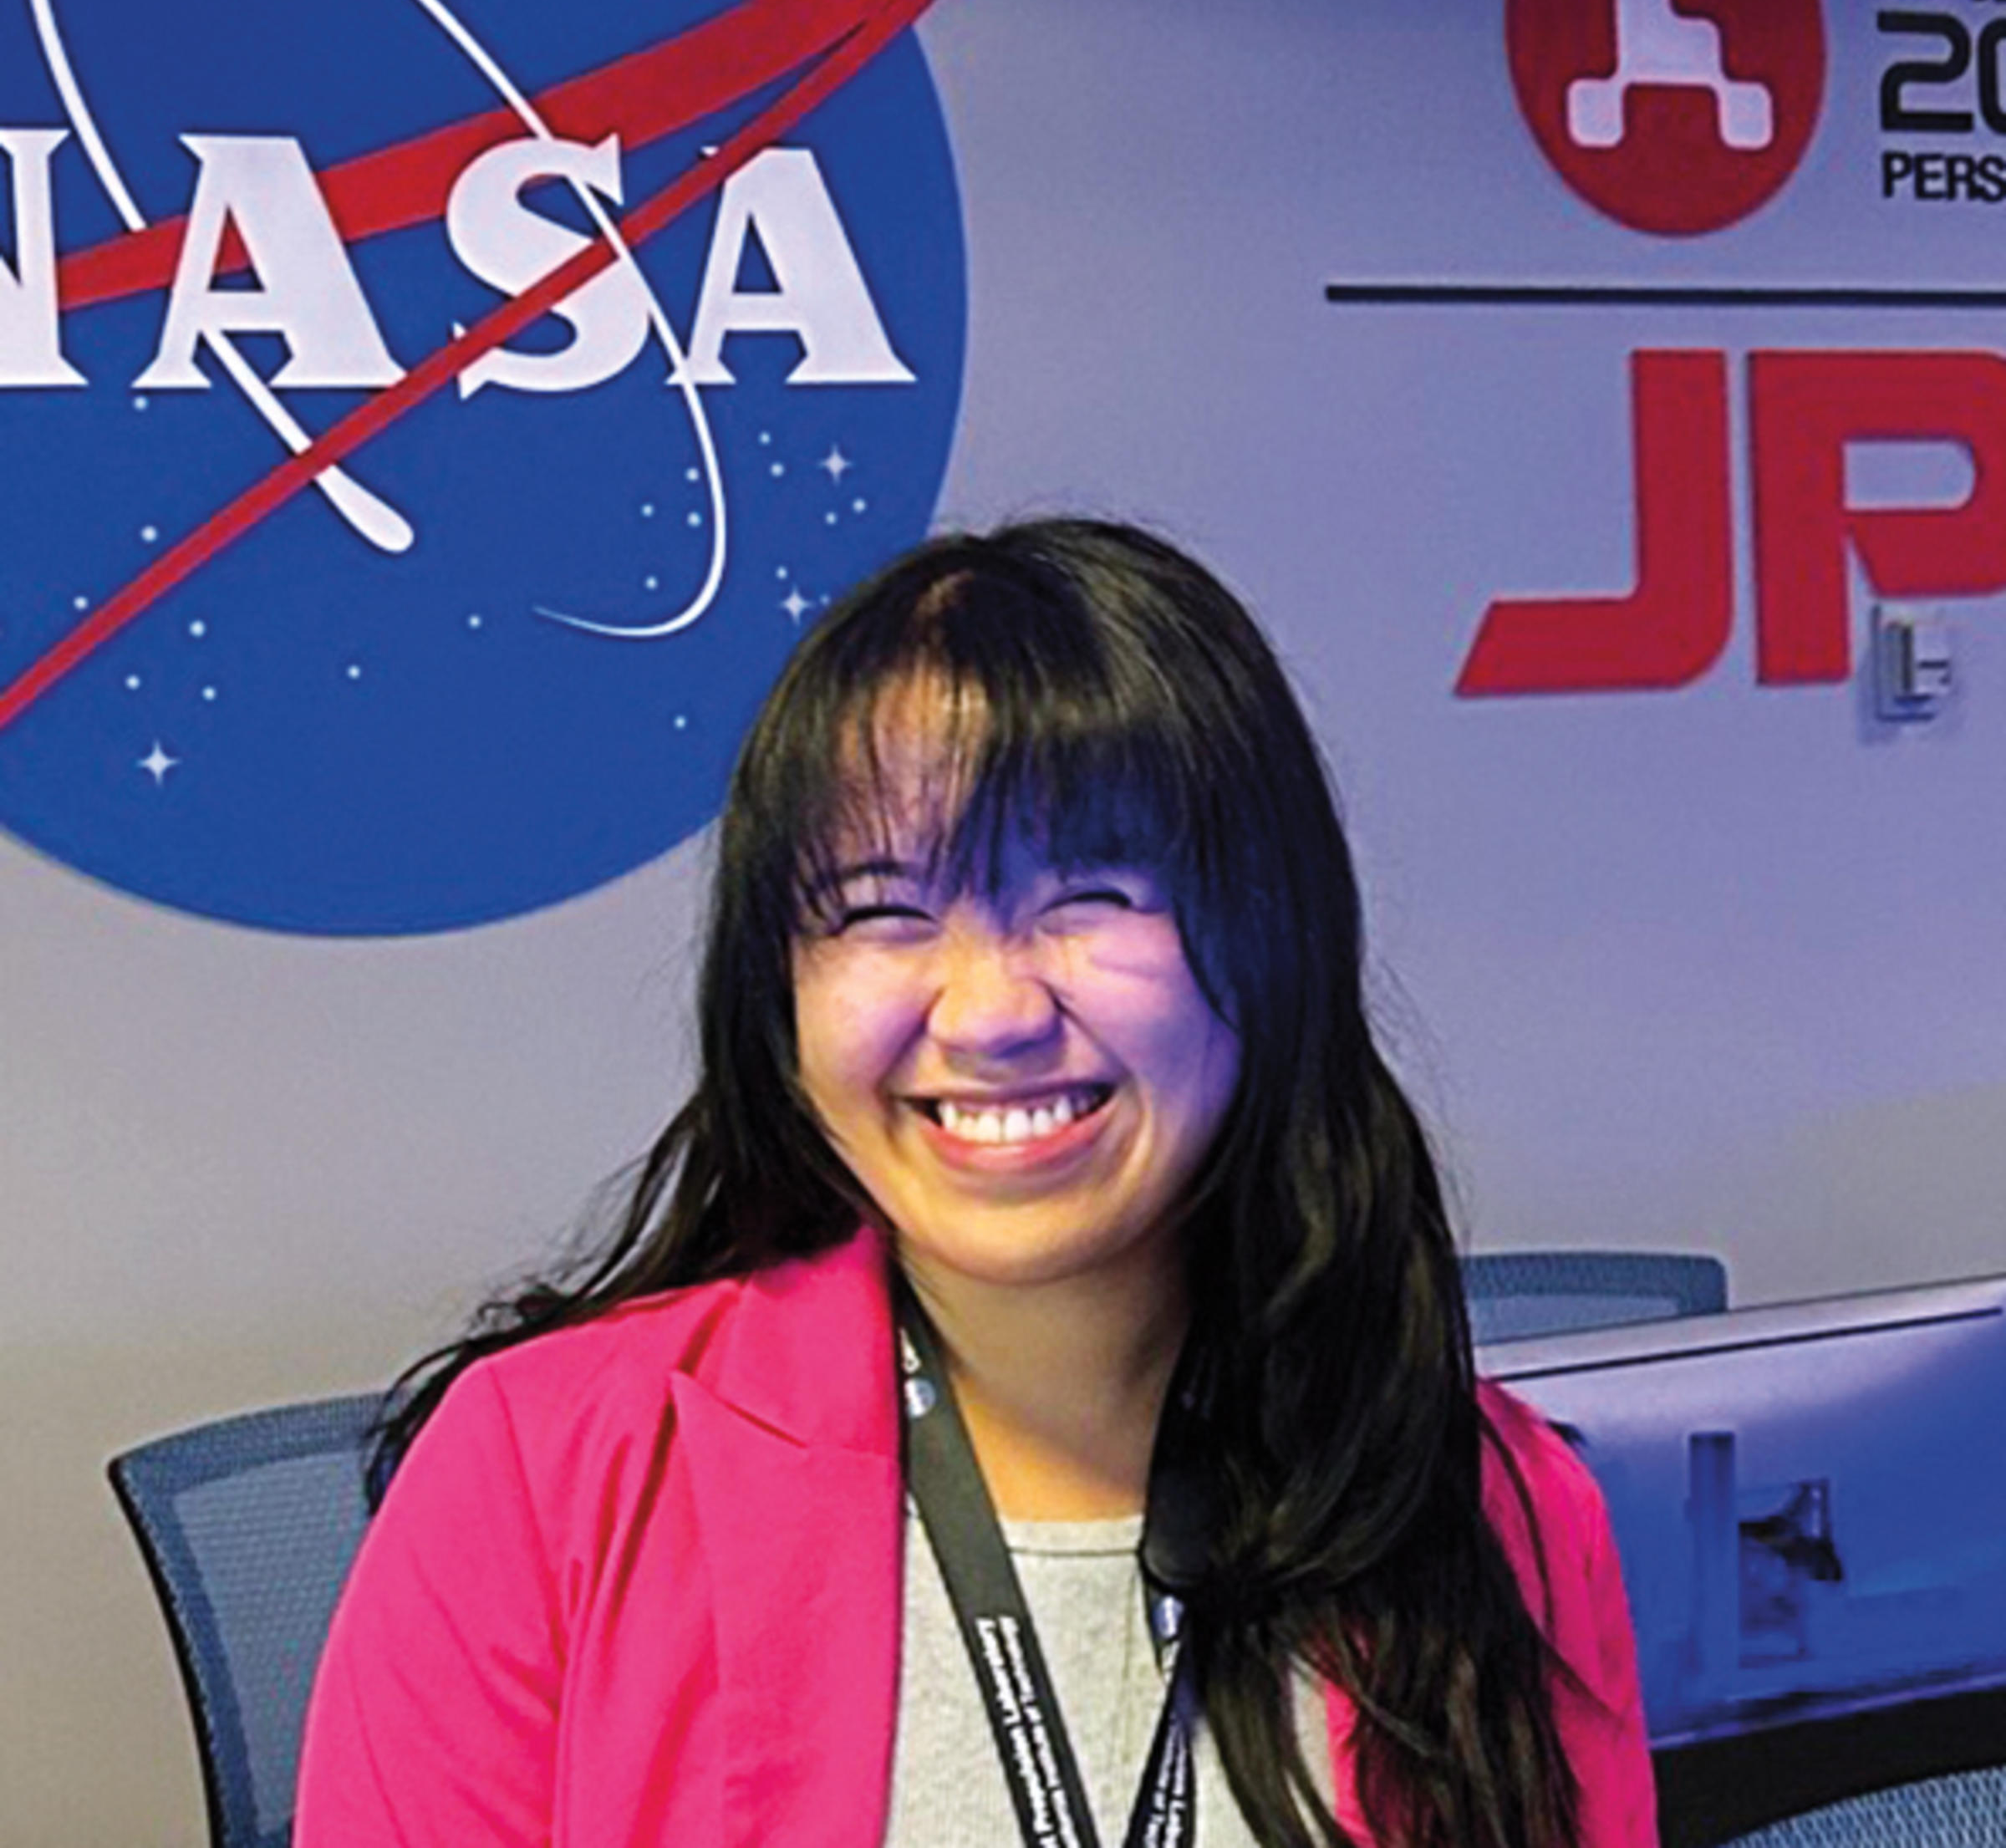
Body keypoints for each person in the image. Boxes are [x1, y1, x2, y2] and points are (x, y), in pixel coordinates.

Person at [297, 517, 1654, 1848]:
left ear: (1270, 939)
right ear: (782, 994)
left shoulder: (1487, 1504)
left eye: (1089, 894)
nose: (990, 1012)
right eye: (881, 910)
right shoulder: (545, 1475)